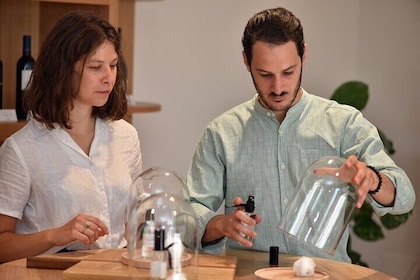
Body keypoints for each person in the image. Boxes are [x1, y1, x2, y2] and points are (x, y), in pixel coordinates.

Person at [186, 7, 415, 262]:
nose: (278, 87)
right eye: (265, 75)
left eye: (288, 72)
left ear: (304, 55)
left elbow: (404, 197)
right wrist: (221, 224)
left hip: (326, 276)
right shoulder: (221, 132)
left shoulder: (343, 123)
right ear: (246, 61)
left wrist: (372, 180)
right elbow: (188, 214)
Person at [0, 11, 142, 263]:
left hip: (118, 270)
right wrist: (56, 235)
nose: (109, 77)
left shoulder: (125, 136)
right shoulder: (21, 149)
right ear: (63, 70)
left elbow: (136, 225)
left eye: (113, 65)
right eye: (96, 67)